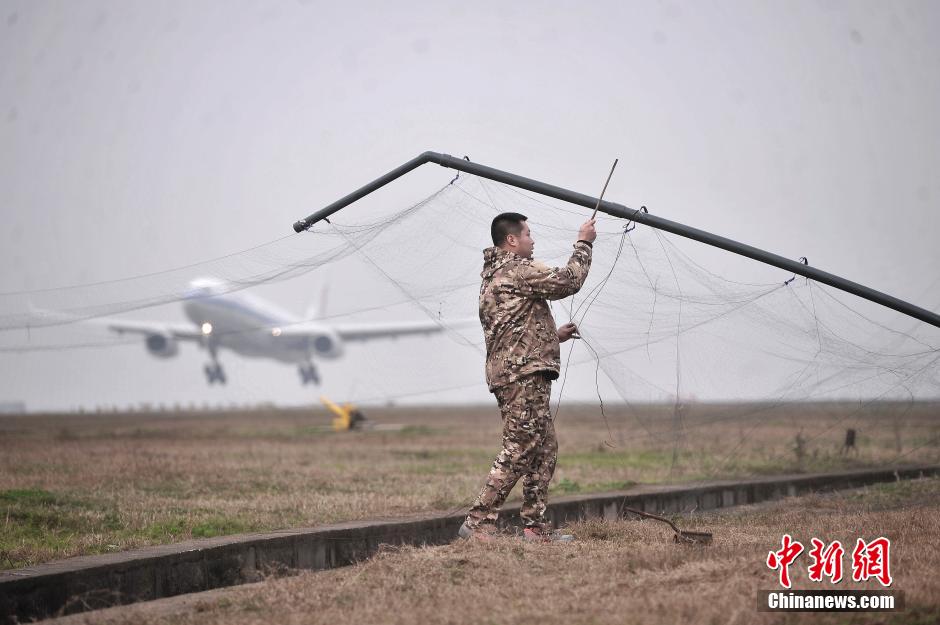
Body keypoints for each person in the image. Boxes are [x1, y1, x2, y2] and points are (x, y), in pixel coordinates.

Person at [459, 212, 596, 542]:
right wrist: (584, 243)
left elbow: (509, 329)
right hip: (521, 376)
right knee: (521, 445)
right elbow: (568, 281)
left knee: (544, 448)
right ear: (512, 240)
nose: (532, 241)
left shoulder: (496, 275)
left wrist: (552, 336)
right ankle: (477, 522)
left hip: (516, 373)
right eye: (528, 234)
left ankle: (535, 528)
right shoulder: (517, 269)